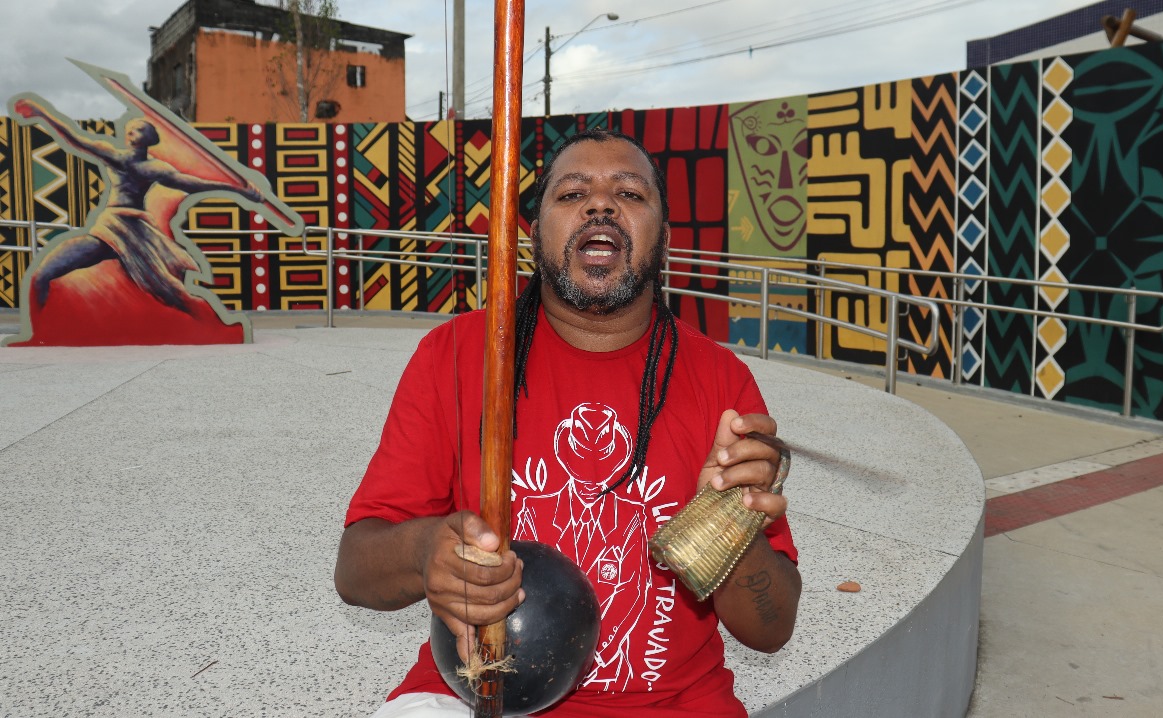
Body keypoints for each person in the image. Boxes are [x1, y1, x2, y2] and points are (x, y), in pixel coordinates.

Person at [334, 129, 802, 717]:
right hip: (473, 694)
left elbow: (771, 630)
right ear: (534, 233)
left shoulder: (720, 381)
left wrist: (731, 526)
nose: (600, 205)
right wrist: (426, 551)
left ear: (665, 238)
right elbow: (355, 571)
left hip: (670, 706)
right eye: (571, 193)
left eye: (630, 194)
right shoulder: (455, 356)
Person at [13, 98, 262, 314]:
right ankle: (44, 321)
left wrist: (238, 191)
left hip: (133, 230)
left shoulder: (154, 167)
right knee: (44, 273)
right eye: (130, 129)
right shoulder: (116, 156)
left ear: (149, 138)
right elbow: (75, 137)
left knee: (171, 290)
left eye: (138, 129)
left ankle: (198, 318)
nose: (131, 131)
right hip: (113, 226)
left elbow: (194, 184)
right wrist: (41, 113)